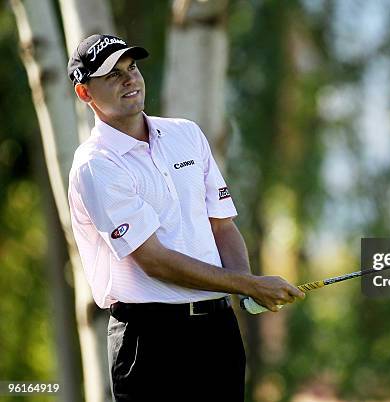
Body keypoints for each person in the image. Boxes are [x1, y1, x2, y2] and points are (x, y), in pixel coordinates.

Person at [66, 34, 304, 401]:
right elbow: (154, 261)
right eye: (113, 74)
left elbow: (222, 225)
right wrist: (248, 285)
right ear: (85, 94)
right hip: (149, 341)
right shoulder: (95, 165)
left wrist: (243, 285)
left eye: (132, 68)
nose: (130, 79)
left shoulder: (186, 134)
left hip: (217, 332)